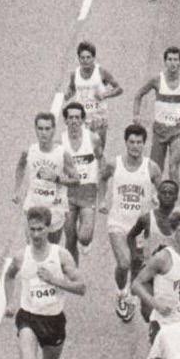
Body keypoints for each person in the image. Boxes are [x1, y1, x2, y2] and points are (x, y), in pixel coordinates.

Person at [4, 206, 85, 359]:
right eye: (32, 229)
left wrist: (54, 280)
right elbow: (9, 276)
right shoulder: (21, 256)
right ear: (27, 229)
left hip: (54, 320)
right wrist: (10, 302)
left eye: (40, 229)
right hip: (28, 317)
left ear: (49, 228)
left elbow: (81, 287)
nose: (36, 234)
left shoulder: (61, 256)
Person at [102, 124, 161, 322]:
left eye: (139, 142)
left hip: (140, 228)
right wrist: (102, 200)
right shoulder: (114, 164)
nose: (135, 146)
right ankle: (121, 293)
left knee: (137, 265)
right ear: (126, 143)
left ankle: (132, 297)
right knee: (124, 262)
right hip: (118, 223)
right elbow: (102, 178)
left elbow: (162, 190)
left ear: (144, 144)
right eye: (132, 142)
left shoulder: (151, 168)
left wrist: (156, 197)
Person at [132, 46, 180, 183]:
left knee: (173, 167)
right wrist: (136, 114)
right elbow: (139, 94)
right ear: (165, 62)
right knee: (156, 170)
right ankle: (157, 193)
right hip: (160, 130)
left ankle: (172, 195)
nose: (172, 63)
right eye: (169, 59)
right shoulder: (157, 79)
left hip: (178, 130)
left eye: (175, 60)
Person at [132, 209, 180, 344]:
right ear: (174, 233)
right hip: (164, 324)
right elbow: (136, 284)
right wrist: (156, 304)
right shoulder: (163, 258)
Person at [12, 112, 75, 243]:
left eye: (47, 129)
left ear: (53, 130)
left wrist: (56, 178)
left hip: (54, 209)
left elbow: (76, 180)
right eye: (40, 128)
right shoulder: (29, 151)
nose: (43, 133)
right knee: (32, 247)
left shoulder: (62, 154)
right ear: (35, 129)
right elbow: (20, 167)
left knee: (51, 249)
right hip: (33, 205)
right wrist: (17, 190)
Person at [61, 99, 103, 261]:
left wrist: (101, 180)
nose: (74, 121)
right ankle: (73, 271)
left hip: (88, 191)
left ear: (83, 120)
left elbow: (101, 158)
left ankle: (85, 241)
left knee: (84, 237)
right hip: (68, 193)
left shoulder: (93, 138)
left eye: (77, 117)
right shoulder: (60, 142)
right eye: (70, 117)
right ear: (66, 121)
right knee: (70, 238)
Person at [64, 41, 123, 148]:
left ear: (93, 58)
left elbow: (119, 89)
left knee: (98, 150)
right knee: (82, 149)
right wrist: (68, 94)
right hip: (81, 119)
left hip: (99, 118)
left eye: (88, 57)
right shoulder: (74, 74)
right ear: (78, 59)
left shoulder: (101, 72)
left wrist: (104, 95)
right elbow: (72, 88)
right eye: (82, 58)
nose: (85, 60)